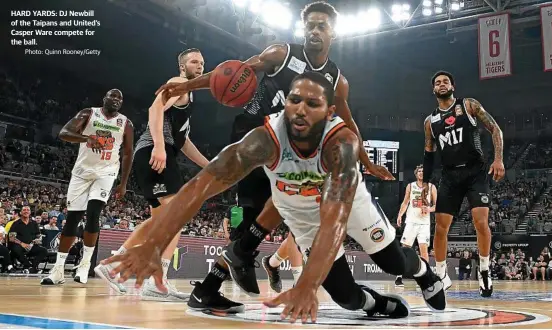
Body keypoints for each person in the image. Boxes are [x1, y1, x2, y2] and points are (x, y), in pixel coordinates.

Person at [103, 72, 446, 322]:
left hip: (347, 206)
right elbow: (200, 186)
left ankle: (423, 270)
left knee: (393, 262)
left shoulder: (342, 145)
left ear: (329, 113)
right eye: (295, 100)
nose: (300, 109)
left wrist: (308, 286)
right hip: (303, 216)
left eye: (312, 104)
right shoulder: (263, 139)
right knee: (346, 298)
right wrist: (154, 242)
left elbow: (335, 220)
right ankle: (376, 305)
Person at [155, 1, 394, 310]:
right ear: (303, 28)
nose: (314, 30)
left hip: (289, 150)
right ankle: (223, 277)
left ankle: (216, 283)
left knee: (276, 209)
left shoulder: (336, 80)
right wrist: (188, 85)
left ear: (332, 32)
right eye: (310, 25)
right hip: (255, 136)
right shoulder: (282, 54)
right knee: (263, 213)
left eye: (321, 25)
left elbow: (348, 122)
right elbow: (233, 72)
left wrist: (366, 160)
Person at [94, 48, 210, 301]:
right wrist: (158, 145)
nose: (199, 66)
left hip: (156, 152)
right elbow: (154, 109)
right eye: (193, 62)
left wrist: (209, 165)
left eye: (202, 62)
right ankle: (151, 279)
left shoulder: (186, 96)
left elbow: (184, 141)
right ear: (182, 66)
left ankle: (123, 269)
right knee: (176, 216)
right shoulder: (178, 83)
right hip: (154, 152)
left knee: (163, 222)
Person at [422, 71, 504, 297]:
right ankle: (441, 273)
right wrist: (427, 184)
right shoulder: (430, 122)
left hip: (475, 172)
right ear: (433, 90)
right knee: (439, 228)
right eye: (437, 82)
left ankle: (485, 270)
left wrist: (498, 159)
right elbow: (428, 154)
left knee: (481, 222)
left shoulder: (468, 105)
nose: (441, 84)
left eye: (445, 81)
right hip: (449, 176)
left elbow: (495, 129)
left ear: (453, 86)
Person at [41, 89, 133, 285]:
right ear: (104, 99)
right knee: (73, 218)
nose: (116, 100)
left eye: (119, 98)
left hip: (106, 172)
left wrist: (123, 183)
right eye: (112, 96)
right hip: (82, 172)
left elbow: (127, 153)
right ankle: (58, 270)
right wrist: (86, 138)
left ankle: (84, 266)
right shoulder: (88, 113)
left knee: (93, 214)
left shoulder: (126, 123)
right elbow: (64, 133)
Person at [394, 165, 436, 286]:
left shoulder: (431, 187)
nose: (421, 173)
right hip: (411, 221)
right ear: (416, 174)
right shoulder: (411, 186)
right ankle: (399, 276)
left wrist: (429, 209)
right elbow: (406, 202)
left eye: (423, 171)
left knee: (424, 251)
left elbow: (437, 206)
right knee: (405, 249)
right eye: (419, 171)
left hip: (424, 223)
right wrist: (400, 215)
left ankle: (425, 278)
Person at [8, 206, 48, 273]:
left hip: (31, 245)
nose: (26, 211)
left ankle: (33, 267)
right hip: (19, 245)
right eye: (24, 210)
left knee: (43, 250)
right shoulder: (15, 223)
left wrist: (38, 240)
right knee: (16, 249)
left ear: (30, 212)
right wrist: (22, 244)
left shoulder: (34, 223)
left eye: (27, 210)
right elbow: (11, 238)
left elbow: (38, 235)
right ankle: (28, 266)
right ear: (21, 212)